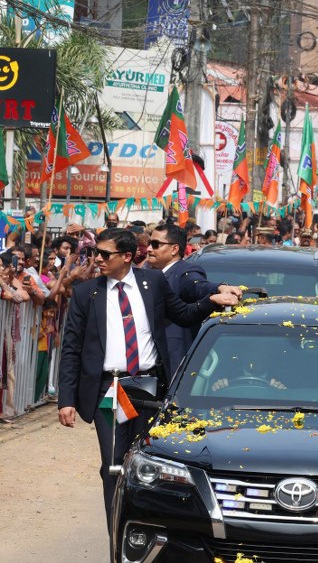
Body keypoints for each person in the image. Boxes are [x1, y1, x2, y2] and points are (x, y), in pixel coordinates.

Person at [57, 228, 240, 531]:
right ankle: (117, 531)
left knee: (150, 461)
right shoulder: (86, 293)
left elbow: (182, 314)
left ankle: (147, 528)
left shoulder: (152, 283)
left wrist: (213, 300)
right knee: (115, 464)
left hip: (149, 385)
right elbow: (71, 348)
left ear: (127, 256)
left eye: (105, 254)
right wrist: (66, 399)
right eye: (96, 253)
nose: (97, 259)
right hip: (111, 389)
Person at [145, 224, 242, 375]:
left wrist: (219, 288)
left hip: (173, 363)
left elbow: (197, 286)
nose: (149, 249)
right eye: (149, 244)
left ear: (174, 249)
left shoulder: (184, 272)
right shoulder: (147, 273)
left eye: (156, 244)